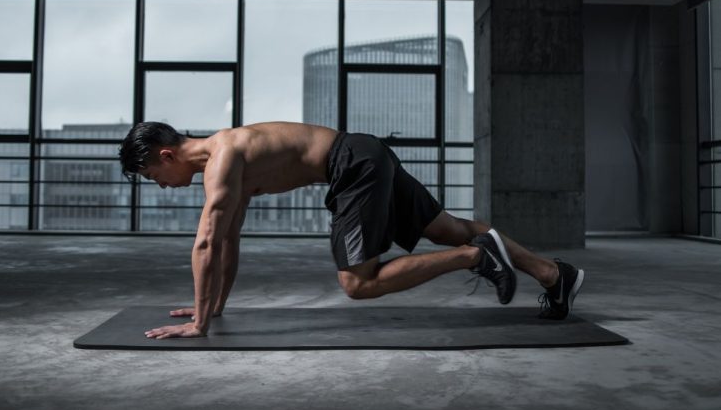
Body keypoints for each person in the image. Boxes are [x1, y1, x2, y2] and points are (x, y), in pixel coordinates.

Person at [118, 121, 584, 340]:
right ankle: (552, 275)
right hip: (364, 152)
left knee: (358, 282)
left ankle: (477, 257)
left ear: (165, 156)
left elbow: (205, 242)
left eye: (153, 178)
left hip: (352, 164)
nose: (161, 187)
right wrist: (213, 307)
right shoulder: (227, 156)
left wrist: (199, 326)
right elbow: (228, 239)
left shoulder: (222, 161)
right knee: (449, 227)